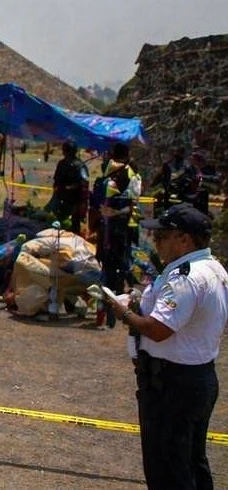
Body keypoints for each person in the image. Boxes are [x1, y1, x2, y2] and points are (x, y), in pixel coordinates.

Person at [104, 204, 226, 489]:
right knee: (192, 462)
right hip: (196, 378)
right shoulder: (213, 268)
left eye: (163, 236)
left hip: (173, 384)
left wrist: (124, 313)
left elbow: (159, 330)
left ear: (184, 239)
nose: (156, 242)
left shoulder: (185, 277)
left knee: (167, 468)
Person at [95, 142, 141, 328]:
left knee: (115, 270)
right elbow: (132, 202)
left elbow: (130, 203)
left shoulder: (123, 174)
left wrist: (112, 213)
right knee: (112, 269)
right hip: (115, 229)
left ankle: (113, 314)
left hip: (117, 230)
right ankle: (109, 312)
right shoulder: (122, 174)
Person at [49, 140, 89, 234]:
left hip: (75, 200)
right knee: (59, 222)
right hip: (62, 199)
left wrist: (72, 188)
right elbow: (56, 180)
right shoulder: (61, 164)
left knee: (74, 224)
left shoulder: (80, 166)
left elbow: (84, 182)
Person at [150, 146, 201, 212]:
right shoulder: (186, 165)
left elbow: (194, 179)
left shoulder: (187, 166)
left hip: (179, 195)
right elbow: (160, 176)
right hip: (174, 195)